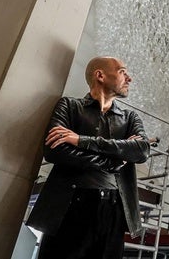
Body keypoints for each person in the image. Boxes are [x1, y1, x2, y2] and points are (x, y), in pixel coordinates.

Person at [26, 56, 151, 259]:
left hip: (114, 211)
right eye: (122, 72)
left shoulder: (130, 118)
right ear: (100, 75)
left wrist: (82, 141)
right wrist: (113, 162)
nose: (130, 78)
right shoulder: (69, 106)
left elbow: (142, 150)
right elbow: (55, 150)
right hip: (69, 208)